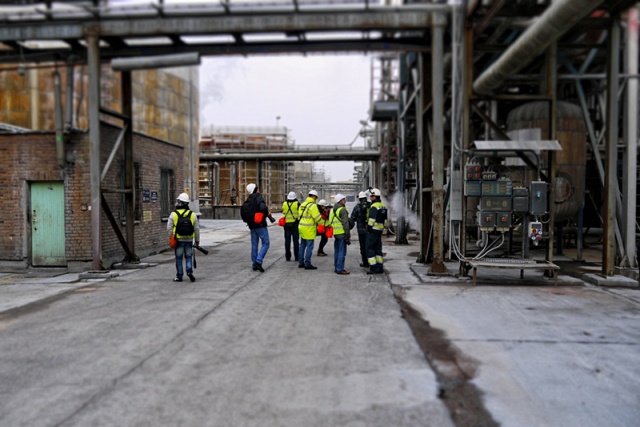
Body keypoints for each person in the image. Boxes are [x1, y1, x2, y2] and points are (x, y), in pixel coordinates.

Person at [167, 192, 200, 282]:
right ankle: (189, 271)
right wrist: (197, 240)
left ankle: (179, 276)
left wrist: (172, 237)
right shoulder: (192, 214)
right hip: (189, 239)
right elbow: (196, 228)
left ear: (180, 202)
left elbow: (169, 227)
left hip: (178, 240)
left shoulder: (174, 214)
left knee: (179, 258)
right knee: (188, 256)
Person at [245, 183, 271, 272]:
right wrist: (266, 213)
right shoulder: (258, 197)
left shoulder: (249, 199)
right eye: (258, 188)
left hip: (252, 225)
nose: (259, 190)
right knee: (266, 243)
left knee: (254, 244)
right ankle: (258, 261)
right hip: (260, 224)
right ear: (256, 189)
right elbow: (263, 208)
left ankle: (254, 264)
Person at [298, 189, 323, 270]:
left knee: (302, 245)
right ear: (313, 197)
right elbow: (317, 218)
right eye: (316, 198)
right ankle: (307, 264)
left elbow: (299, 216)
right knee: (309, 246)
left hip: (301, 227)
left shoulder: (302, 204)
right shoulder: (313, 206)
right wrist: (324, 223)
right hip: (309, 229)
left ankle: (301, 262)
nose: (316, 199)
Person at [365, 188, 388, 274]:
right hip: (379, 230)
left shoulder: (374, 206)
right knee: (378, 249)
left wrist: (368, 229)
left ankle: (373, 268)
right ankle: (380, 267)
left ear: (375, 197)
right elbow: (385, 220)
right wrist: (382, 228)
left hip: (373, 230)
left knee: (370, 248)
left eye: (371, 196)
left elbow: (371, 219)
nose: (370, 197)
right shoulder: (383, 206)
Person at [329, 193, 351, 275]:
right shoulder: (342, 210)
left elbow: (330, 222)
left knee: (337, 251)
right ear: (340, 201)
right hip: (342, 233)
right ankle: (340, 269)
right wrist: (348, 235)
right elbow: (346, 224)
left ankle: (337, 267)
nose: (345, 200)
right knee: (342, 252)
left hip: (336, 233)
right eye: (343, 199)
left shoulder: (332, 210)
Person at [350, 191, 370, 268]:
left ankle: (365, 263)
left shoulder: (357, 207)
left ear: (360, 199)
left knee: (363, 247)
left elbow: (353, 218)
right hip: (370, 230)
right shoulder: (370, 205)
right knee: (370, 246)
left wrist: (349, 227)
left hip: (361, 231)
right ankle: (372, 262)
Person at [282, 191, 300, 262]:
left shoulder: (284, 204)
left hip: (286, 224)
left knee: (287, 241)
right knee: (296, 241)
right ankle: (297, 257)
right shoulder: (297, 204)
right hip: (295, 224)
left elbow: (283, 212)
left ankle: (288, 257)